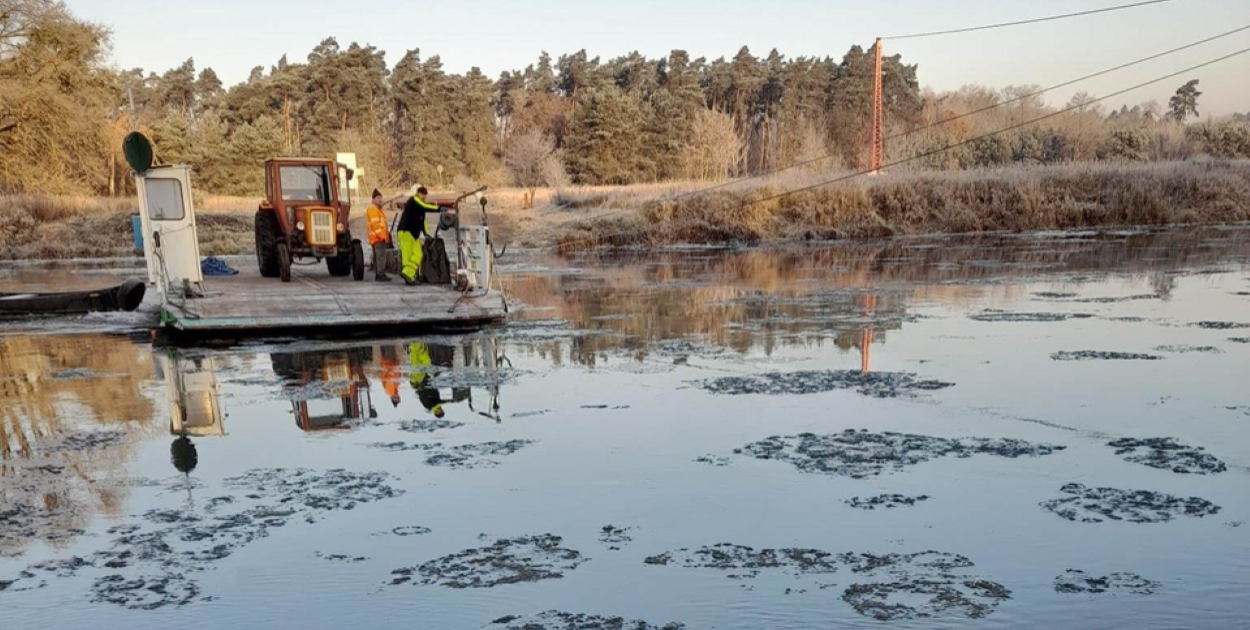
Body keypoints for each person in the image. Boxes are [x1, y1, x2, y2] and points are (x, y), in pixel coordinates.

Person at [396, 186, 442, 285]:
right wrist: (438, 208)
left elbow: (423, 221)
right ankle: (409, 277)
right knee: (407, 256)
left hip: (413, 234)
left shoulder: (420, 207)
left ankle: (408, 275)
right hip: (405, 232)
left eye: (425, 197)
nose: (424, 198)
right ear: (418, 193)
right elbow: (425, 206)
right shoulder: (414, 200)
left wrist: (427, 234)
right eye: (423, 196)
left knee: (418, 254)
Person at [365, 189, 393, 282]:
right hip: (378, 238)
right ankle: (380, 274)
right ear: (373, 199)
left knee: (379, 257)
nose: (380, 200)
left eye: (381, 198)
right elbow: (376, 224)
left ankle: (379, 273)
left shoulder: (377, 209)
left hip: (377, 237)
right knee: (380, 257)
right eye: (378, 198)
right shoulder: (373, 209)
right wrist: (382, 236)